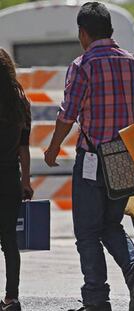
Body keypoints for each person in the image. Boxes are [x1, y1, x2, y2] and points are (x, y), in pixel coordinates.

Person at [44, 3, 134, 311]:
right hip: (126, 159)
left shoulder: (83, 65)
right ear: (111, 30)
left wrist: (53, 148)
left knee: (87, 233)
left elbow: (67, 115)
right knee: (111, 225)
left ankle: (96, 300)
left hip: (93, 158)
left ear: (83, 33)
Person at [0, 48, 33, 311]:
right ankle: (12, 297)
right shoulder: (21, 103)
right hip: (10, 177)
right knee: (9, 240)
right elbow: (24, 149)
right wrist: (26, 182)